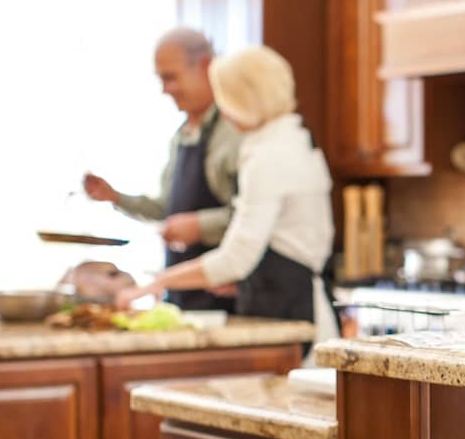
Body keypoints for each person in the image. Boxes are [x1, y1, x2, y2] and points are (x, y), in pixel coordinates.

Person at [114, 45, 334, 331]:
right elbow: (288, 240)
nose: (224, 108)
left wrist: (157, 282)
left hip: (292, 314)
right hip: (289, 307)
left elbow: (236, 258)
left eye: (226, 97)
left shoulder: (270, 156)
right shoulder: (293, 141)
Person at [84, 27, 241, 313]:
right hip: (184, 301)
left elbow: (248, 219)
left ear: (205, 66)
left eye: (170, 77)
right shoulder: (181, 136)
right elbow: (166, 208)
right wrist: (116, 198)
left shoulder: (234, 133)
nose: (165, 89)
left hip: (224, 303)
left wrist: (199, 226)